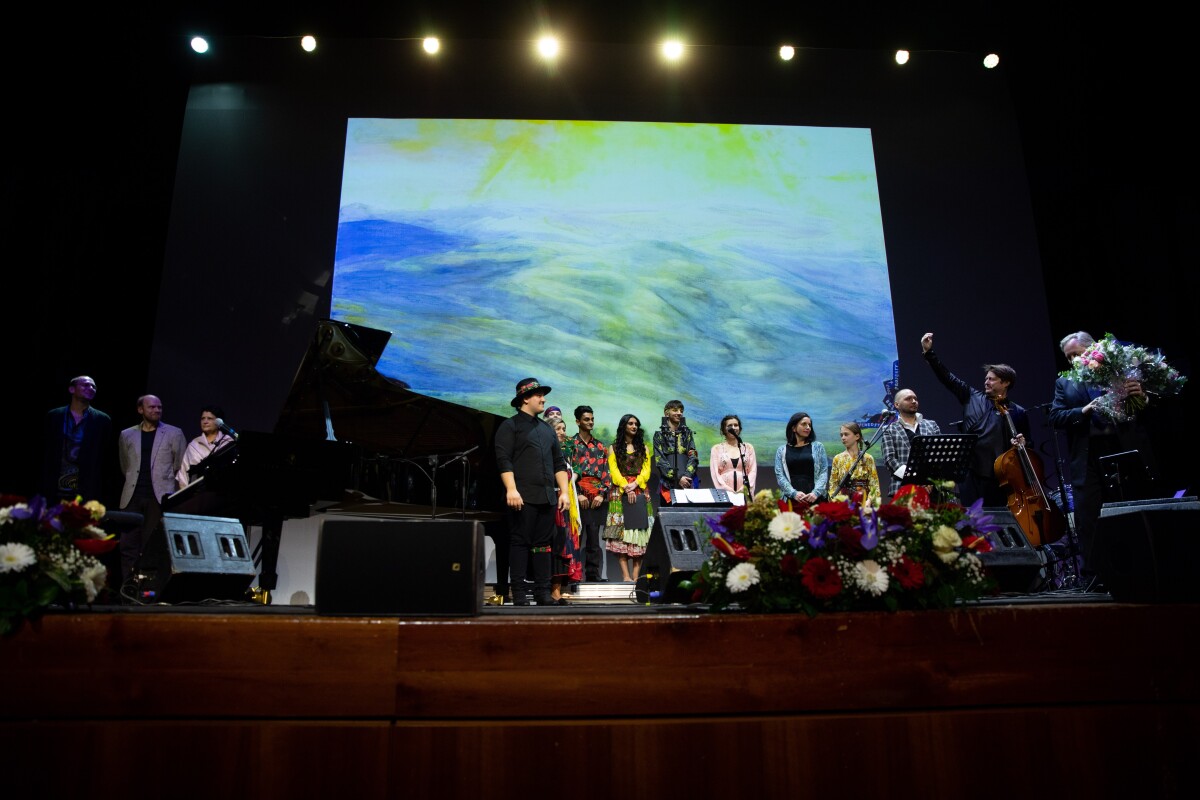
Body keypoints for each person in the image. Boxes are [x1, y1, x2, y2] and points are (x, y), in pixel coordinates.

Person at [1049, 331, 1157, 578]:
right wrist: (1083, 410)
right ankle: (1094, 575)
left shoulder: (1118, 371)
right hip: (1088, 456)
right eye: (1068, 358)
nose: (1073, 361)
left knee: (1129, 509)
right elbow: (1055, 417)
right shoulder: (1064, 383)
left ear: (1092, 348)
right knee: (1088, 516)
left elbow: (1143, 412)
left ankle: (1140, 569)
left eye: (1076, 354)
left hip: (1121, 448)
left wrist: (1142, 397)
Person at [922, 332, 1029, 507]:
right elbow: (947, 377)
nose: (986, 382)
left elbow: (1027, 444)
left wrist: (1023, 442)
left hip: (1002, 477)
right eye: (986, 379)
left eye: (992, 380)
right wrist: (929, 353)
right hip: (971, 473)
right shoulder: (971, 396)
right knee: (972, 520)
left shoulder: (1018, 412)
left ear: (1006, 383)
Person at [494, 378, 571, 606]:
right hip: (522, 496)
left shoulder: (546, 429)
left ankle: (542, 593)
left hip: (546, 497)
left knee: (543, 546)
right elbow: (503, 459)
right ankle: (518, 594)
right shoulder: (510, 426)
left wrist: (564, 492)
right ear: (525, 398)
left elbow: (559, 463)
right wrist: (511, 489)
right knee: (520, 543)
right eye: (539, 395)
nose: (543, 399)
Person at [117, 395, 187, 583]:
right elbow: (126, 466)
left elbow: (179, 465)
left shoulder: (174, 433)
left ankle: (149, 591)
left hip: (159, 497)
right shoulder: (127, 434)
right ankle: (128, 588)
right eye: (152, 407)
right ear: (141, 410)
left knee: (152, 546)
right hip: (132, 496)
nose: (157, 410)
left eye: (159, 407)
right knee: (128, 546)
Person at [41, 375, 115, 504]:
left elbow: (105, 456)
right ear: (71, 389)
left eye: (94, 386)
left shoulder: (102, 420)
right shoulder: (55, 416)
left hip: (85, 489)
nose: (91, 388)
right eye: (86, 385)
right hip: (53, 486)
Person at [605, 413, 653, 582]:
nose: (634, 426)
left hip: (640, 491)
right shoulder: (613, 448)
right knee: (621, 534)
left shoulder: (645, 448)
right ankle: (626, 576)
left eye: (636, 424)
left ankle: (636, 576)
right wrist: (626, 485)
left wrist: (636, 484)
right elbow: (614, 470)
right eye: (631, 423)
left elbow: (647, 470)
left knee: (640, 534)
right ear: (623, 426)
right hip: (620, 492)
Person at [570, 405, 611, 582]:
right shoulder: (570, 444)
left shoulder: (600, 446)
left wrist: (601, 494)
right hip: (576, 496)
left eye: (592, 419)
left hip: (596, 497)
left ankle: (593, 575)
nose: (590, 422)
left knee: (594, 540)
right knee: (575, 537)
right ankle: (573, 575)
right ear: (578, 421)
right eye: (586, 419)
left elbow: (606, 472)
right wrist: (578, 493)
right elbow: (567, 471)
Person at [881, 388, 942, 497]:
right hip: (903, 489)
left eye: (915, 399)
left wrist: (929, 479)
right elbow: (890, 460)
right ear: (897, 405)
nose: (914, 401)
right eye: (908, 399)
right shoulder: (889, 429)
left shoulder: (931, 425)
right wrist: (916, 478)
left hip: (932, 488)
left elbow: (939, 454)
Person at [549, 417, 582, 604]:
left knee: (564, 546)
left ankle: (557, 590)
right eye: (559, 429)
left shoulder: (564, 455)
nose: (563, 432)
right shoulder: (548, 453)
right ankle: (551, 590)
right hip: (553, 504)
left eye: (564, 428)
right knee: (556, 547)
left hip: (565, 506)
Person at [774, 412, 829, 509]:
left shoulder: (818, 446)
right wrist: (793, 493)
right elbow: (780, 475)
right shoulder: (781, 450)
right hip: (791, 500)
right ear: (793, 428)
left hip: (815, 499)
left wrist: (815, 493)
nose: (808, 427)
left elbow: (823, 472)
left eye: (809, 425)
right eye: (804, 424)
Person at [176, 405, 236, 490]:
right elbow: (183, 476)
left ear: (219, 422)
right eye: (203, 418)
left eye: (209, 418)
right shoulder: (193, 445)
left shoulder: (228, 442)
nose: (205, 421)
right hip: (200, 494)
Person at [652, 399, 699, 504]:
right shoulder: (659, 435)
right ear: (666, 413)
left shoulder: (687, 434)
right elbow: (660, 461)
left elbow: (693, 455)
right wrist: (678, 478)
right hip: (668, 484)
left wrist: (686, 477)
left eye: (681, 411)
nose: (679, 413)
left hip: (688, 482)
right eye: (675, 410)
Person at [829, 422, 882, 506]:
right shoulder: (838, 459)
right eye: (841, 435)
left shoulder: (868, 458)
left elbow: (874, 484)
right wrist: (839, 502)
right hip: (844, 502)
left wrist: (869, 500)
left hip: (864, 500)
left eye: (846, 434)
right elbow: (833, 485)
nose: (843, 438)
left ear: (857, 436)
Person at [709, 414, 757, 497]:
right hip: (725, 493)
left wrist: (744, 489)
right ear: (724, 429)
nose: (733, 428)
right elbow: (715, 474)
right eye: (730, 425)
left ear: (740, 428)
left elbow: (753, 471)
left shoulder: (748, 447)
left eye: (736, 425)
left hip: (744, 492)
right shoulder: (716, 449)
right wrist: (726, 490)